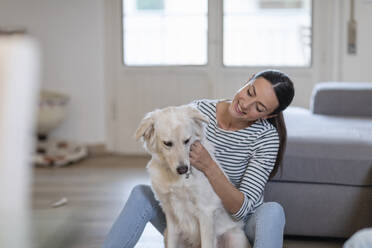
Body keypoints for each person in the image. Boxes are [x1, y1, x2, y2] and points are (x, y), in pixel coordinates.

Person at [102, 69, 295, 248]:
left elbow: (242, 210)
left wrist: (209, 166)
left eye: (259, 107)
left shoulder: (266, 137)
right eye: (250, 92)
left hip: (235, 227)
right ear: (248, 81)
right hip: (189, 221)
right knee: (140, 194)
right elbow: (166, 138)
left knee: (273, 211)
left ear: (270, 114)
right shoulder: (199, 111)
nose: (245, 104)